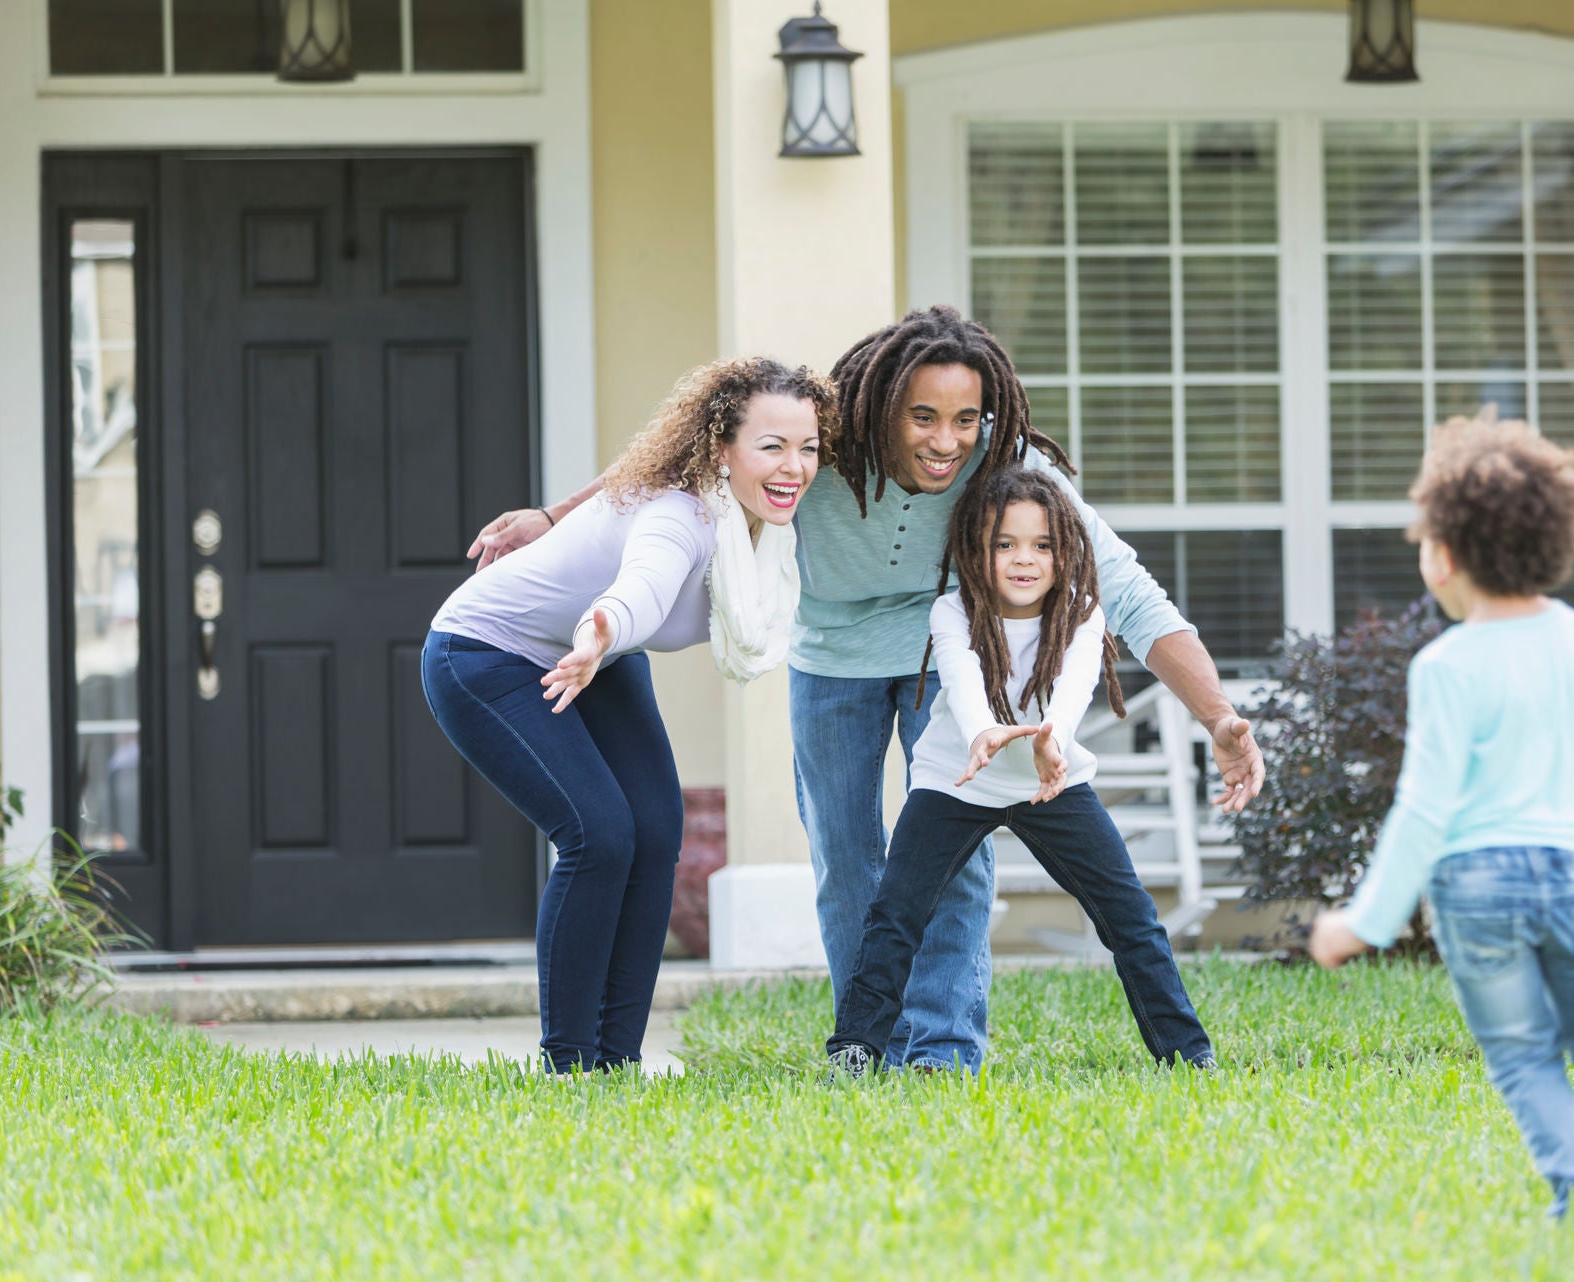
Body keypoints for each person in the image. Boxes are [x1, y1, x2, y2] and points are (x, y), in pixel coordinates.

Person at [467, 307, 1264, 1072]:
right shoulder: (821, 440)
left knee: (954, 853)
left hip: (944, 652)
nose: (947, 441)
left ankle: (942, 1050)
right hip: (827, 656)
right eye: (923, 417)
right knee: (845, 855)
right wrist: (554, 516)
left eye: (966, 419)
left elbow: (1128, 591)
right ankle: (867, 1044)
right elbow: (682, 457)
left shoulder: (1007, 460)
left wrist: (1219, 716)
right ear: (882, 407)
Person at [1307, 413, 1574, 1222]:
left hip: (1476, 888)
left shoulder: (1445, 665)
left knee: (1526, 1057)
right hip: (1570, 873)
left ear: (1446, 555)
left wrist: (1364, 921)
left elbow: (1424, 806)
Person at [425, 358, 834, 1074]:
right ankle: (570, 1066)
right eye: (771, 446)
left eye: (808, 447)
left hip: (600, 656)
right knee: (599, 833)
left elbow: (625, 479)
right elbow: (644, 584)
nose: (794, 467)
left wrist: (555, 521)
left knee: (656, 827)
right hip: (486, 651)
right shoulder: (683, 514)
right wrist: (602, 628)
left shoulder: (767, 523)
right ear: (722, 449)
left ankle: (616, 1063)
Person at [826, 469, 1216, 1075]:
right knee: (896, 917)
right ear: (974, 550)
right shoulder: (952, 611)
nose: (1024, 559)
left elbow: (1076, 685)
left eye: (1042, 545)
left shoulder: (1082, 613)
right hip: (955, 780)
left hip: (1052, 780)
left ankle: (1189, 1055)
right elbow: (961, 679)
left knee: (1132, 919)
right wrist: (983, 733)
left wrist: (1051, 739)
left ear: (1066, 551)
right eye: (1004, 544)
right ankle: (855, 1048)